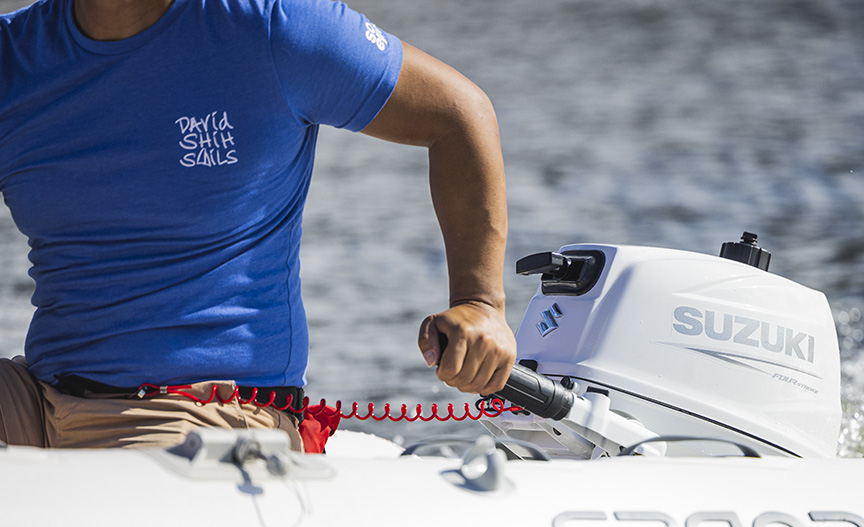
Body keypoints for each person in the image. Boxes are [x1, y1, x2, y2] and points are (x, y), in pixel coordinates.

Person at [0, 0, 516, 451]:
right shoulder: (11, 57)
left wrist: (480, 304)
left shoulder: (276, 26)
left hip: (206, 413)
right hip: (39, 399)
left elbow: (458, 114)